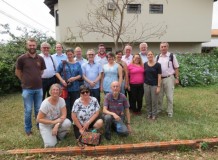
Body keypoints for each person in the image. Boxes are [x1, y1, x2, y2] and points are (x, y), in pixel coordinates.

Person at [15, 38, 46, 136]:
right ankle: (28, 130)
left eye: (33, 45)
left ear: (36, 46)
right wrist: (24, 80)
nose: (32, 47)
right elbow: (18, 72)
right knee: (28, 110)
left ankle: (39, 126)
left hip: (39, 88)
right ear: (27, 46)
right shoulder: (22, 58)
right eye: (30, 45)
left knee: (38, 109)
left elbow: (41, 71)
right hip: (27, 89)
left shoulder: (40, 59)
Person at [37, 84, 71, 148]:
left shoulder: (62, 100)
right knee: (50, 145)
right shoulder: (45, 103)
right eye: (53, 90)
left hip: (57, 122)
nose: (55, 91)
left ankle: (59, 135)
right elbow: (38, 119)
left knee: (67, 122)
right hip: (46, 125)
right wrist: (53, 122)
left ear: (60, 92)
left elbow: (64, 115)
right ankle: (49, 135)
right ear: (50, 91)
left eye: (57, 90)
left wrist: (56, 124)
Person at [56, 48, 82, 121]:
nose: (69, 56)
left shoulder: (77, 63)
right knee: (66, 103)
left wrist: (74, 78)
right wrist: (62, 80)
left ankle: (74, 117)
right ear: (66, 55)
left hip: (75, 87)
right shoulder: (63, 63)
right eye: (68, 54)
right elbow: (57, 72)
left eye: (71, 54)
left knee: (74, 103)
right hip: (65, 87)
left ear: (73, 54)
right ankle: (67, 118)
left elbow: (80, 75)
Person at [156, 42, 179, 118]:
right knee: (159, 95)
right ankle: (159, 109)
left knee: (169, 96)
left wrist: (177, 78)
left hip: (169, 78)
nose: (163, 48)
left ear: (167, 47)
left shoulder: (171, 56)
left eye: (165, 46)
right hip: (159, 79)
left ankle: (169, 111)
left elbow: (176, 67)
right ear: (160, 48)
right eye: (162, 47)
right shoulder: (157, 57)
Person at [144, 51, 162, 120]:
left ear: (153, 55)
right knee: (147, 100)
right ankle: (149, 113)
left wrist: (158, 86)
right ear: (147, 56)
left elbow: (159, 76)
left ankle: (154, 114)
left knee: (154, 100)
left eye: (151, 54)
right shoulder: (145, 64)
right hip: (146, 85)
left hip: (154, 85)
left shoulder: (158, 65)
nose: (150, 55)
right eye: (148, 55)